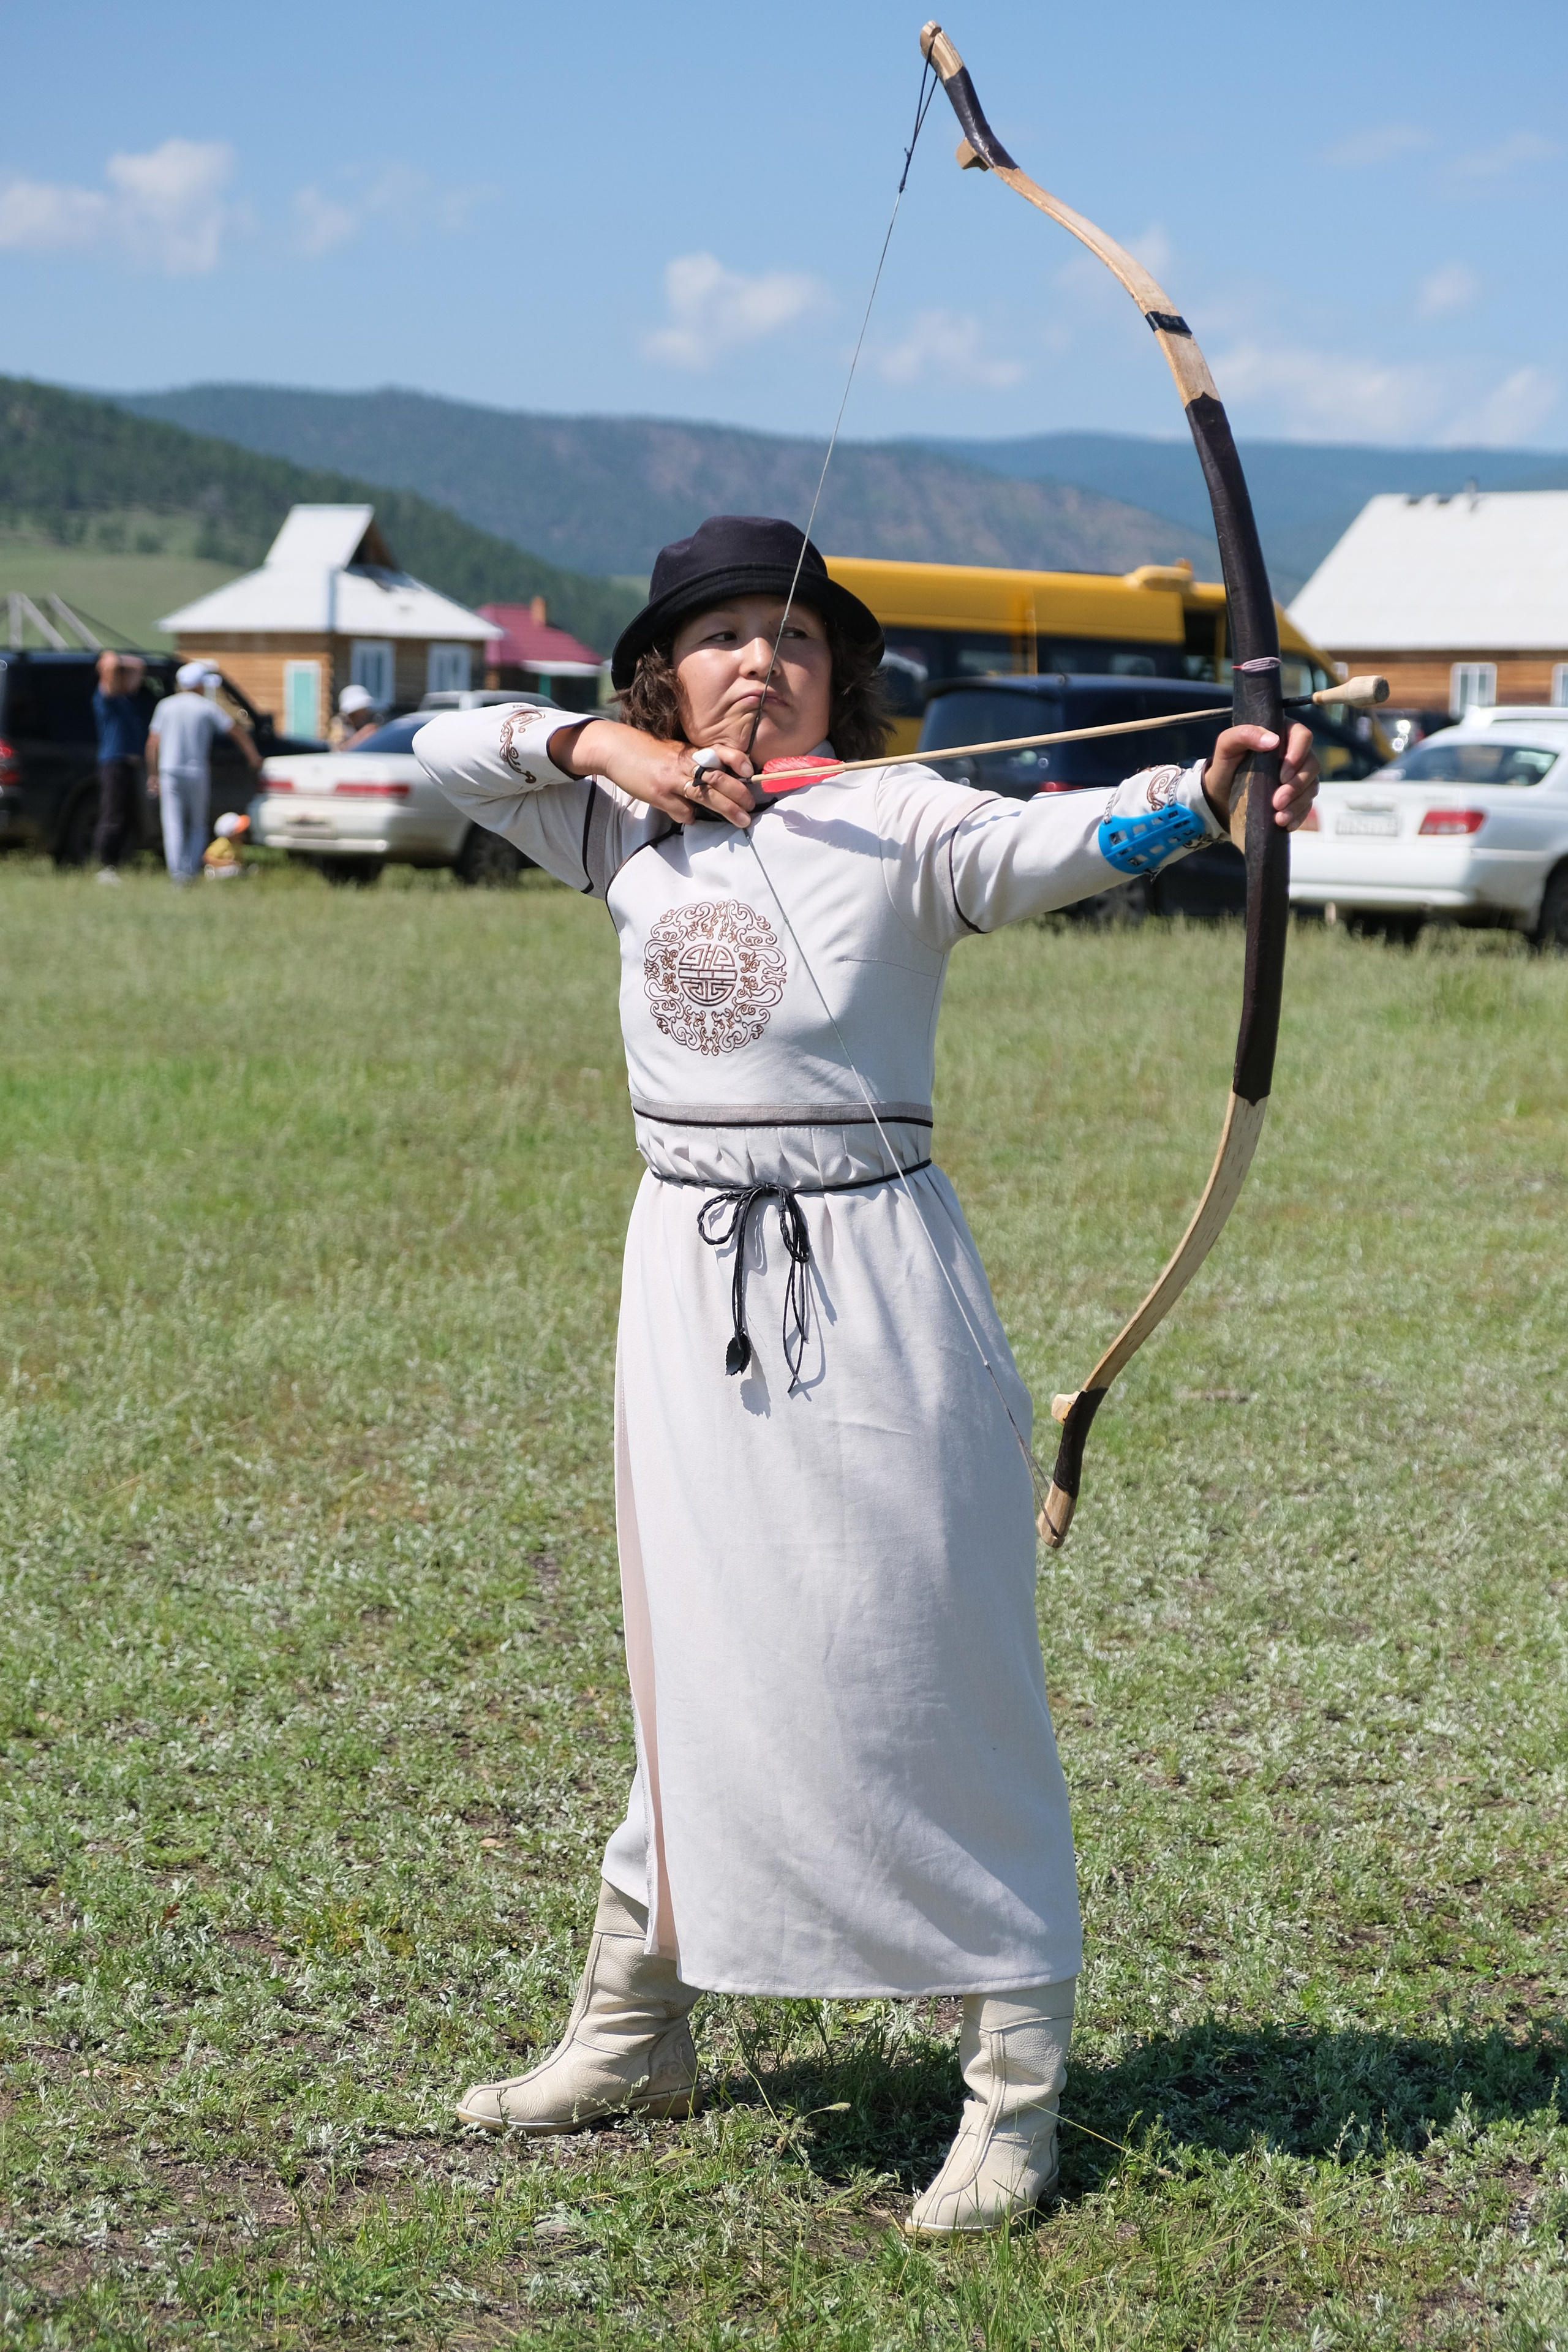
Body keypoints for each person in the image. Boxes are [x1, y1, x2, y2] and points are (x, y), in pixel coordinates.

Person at [413, 516, 1319, 2234]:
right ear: (661, 676)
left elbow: (1066, 838)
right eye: (725, 638)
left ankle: (1014, 2093)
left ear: (845, 682)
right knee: (699, 1647)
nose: (764, 662)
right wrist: (611, 753)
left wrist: (1206, 800)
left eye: (798, 641)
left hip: (874, 1276)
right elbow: (437, 748)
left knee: (923, 1651)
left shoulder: (902, 819)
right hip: (685, 1282)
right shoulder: (614, 822)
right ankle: (634, 2029)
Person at [145, 662, 260, 883]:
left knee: (173, 823)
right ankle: (189, 871)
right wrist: (253, 756)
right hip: (196, 771)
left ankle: (177, 875)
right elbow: (235, 730)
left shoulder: (166, 706)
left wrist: (153, 773)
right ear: (199, 685)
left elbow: (153, 743)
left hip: (169, 771)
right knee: (197, 824)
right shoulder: (206, 707)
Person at [91, 651, 148, 880]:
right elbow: (112, 663)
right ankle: (105, 864)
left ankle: (117, 863)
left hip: (128, 765)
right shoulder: (105, 696)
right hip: (114, 763)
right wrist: (110, 659)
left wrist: (122, 663)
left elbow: (140, 665)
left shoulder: (125, 699)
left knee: (125, 815)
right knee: (112, 814)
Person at [330, 682, 380, 750]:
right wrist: (362, 735)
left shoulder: (363, 722)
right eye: (363, 709)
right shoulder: (338, 723)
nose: (366, 711)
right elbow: (338, 749)